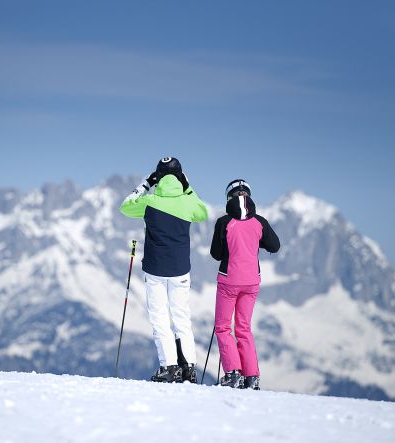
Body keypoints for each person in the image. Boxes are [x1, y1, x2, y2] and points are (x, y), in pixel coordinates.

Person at [120, 157, 208, 383]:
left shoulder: (149, 201)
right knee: (182, 317)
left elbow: (125, 206)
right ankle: (188, 367)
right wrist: (187, 188)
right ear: (180, 177)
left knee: (160, 318)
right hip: (180, 270)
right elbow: (202, 213)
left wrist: (145, 185)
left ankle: (169, 366)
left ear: (157, 177)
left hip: (155, 269)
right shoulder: (187, 202)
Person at [210, 179, 280, 389]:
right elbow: (274, 246)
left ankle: (233, 374)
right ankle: (252, 377)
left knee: (223, 327)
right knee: (244, 328)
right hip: (251, 282)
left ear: (229, 197)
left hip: (229, 280)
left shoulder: (224, 222)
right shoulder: (259, 222)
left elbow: (216, 254)